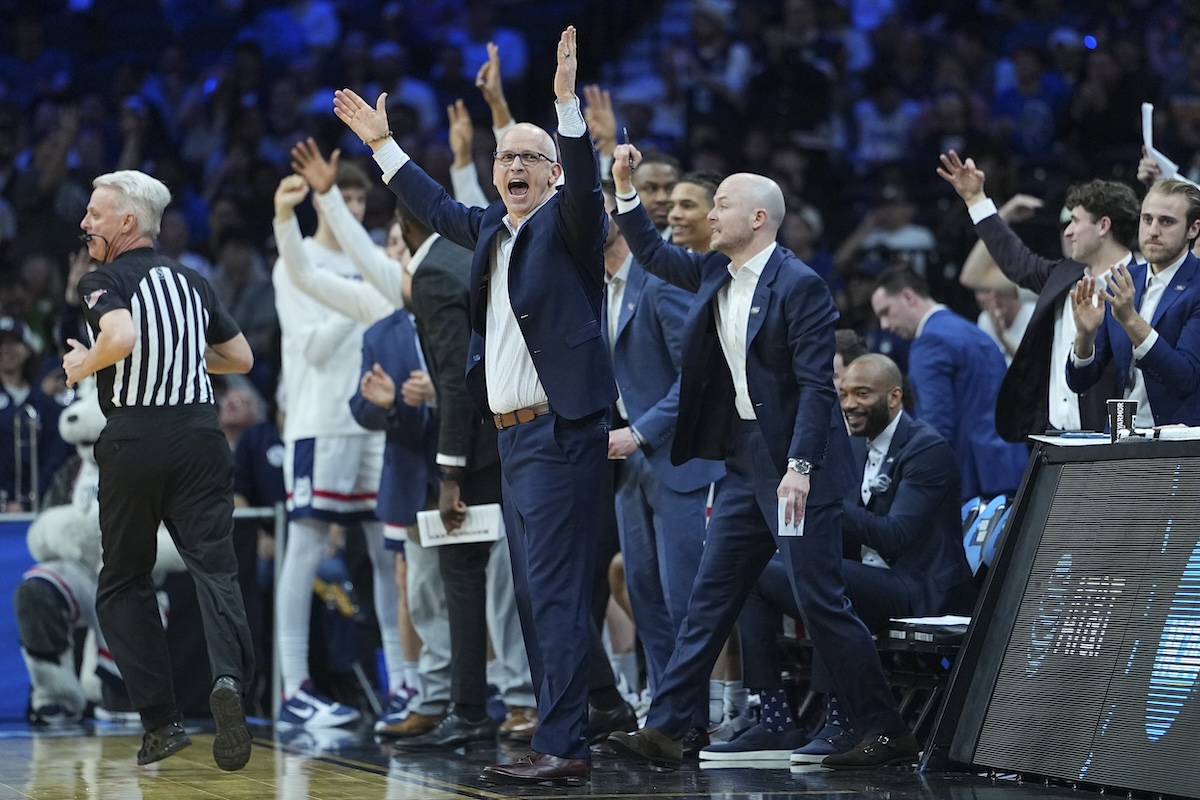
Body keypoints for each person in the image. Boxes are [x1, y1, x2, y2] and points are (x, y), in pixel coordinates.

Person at [334, 26, 614, 785]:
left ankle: (565, 745)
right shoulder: (492, 225)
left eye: (530, 158)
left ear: (552, 173)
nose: (515, 166)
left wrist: (564, 108)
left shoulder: (573, 221)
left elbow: (587, 185)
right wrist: (386, 147)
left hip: (562, 433)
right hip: (516, 441)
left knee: (553, 595)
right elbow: (429, 201)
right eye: (506, 157)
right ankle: (571, 728)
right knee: (533, 597)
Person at [603, 147, 917, 770]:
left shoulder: (800, 284)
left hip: (798, 465)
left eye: (722, 205)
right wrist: (624, 194)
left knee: (820, 598)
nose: (708, 215)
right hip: (744, 460)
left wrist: (799, 470)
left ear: (759, 220)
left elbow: (814, 387)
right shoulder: (715, 274)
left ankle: (884, 727)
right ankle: (668, 728)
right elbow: (656, 256)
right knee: (709, 596)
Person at [63, 169, 254, 771]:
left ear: (127, 224)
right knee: (216, 572)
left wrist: (81, 367)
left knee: (122, 582)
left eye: (95, 214)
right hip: (200, 436)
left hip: (134, 441)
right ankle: (227, 681)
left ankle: (161, 722)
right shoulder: (193, 281)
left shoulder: (101, 278)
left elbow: (119, 335)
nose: (85, 223)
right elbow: (241, 358)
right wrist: (177, 353)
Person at [702, 353, 974, 762]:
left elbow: (896, 538)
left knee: (827, 582)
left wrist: (822, 500)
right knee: (755, 572)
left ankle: (840, 724)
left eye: (861, 394)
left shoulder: (926, 449)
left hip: (919, 590)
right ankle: (776, 718)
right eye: (843, 393)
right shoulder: (853, 447)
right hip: (871, 580)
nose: (848, 404)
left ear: (895, 397)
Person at [272, 157, 403, 730]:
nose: (351, 208)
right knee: (303, 552)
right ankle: (293, 686)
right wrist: (369, 301)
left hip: (377, 419)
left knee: (388, 553)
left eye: (357, 201)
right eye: (341, 199)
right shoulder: (294, 263)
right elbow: (316, 349)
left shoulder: (373, 260)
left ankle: (403, 681)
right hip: (318, 420)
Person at [601, 180, 723, 705]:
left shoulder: (660, 279)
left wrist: (641, 430)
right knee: (644, 593)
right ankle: (664, 702)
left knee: (683, 595)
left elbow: (693, 376)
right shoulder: (595, 286)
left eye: (592, 208)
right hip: (626, 465)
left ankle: (700, 703)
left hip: (675, 455)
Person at [940, 151, 1140, 440]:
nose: (1068, 232)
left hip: (1112, 445)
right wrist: (975, 200)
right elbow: (1015, 260)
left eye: (1075, 221)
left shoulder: (1143, 284)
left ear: (1103, 226)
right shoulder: (1064, 274)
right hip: (1050, 438)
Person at [871, 267, 1028, 500]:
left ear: (908, 297)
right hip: (1012, 467)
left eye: (886, 312)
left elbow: (936, 428)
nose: (884, 325)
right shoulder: (973, 331)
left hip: (973, 482)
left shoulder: (930, 342)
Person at [1068, 179, 1200, 428]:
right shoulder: (1124, 279)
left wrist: (1130, 320)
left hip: (1180, 448)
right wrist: (1084, 338)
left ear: (1193, 229)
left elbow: (1185, 379)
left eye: (1166, 221)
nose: (1153, 231)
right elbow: (1080, 382)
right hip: (1120, 440)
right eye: (1147, 219)